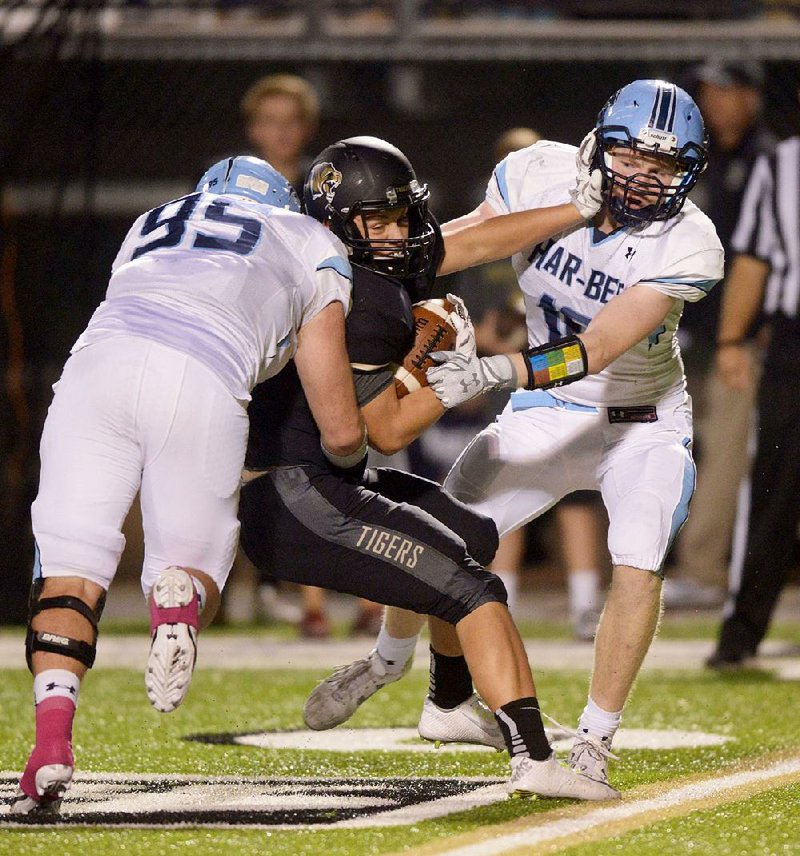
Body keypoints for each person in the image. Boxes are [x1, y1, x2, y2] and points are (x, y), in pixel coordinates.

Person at [307, 80, 723, 794]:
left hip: (640, 420)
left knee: (638, 560)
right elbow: (457, 246)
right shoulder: (538, 172)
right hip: (545, 414)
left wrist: (491, 370)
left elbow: (595, 349)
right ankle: (396, 667)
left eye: (664, 167)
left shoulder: (690, 241)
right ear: (599, 143)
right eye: (631, 158)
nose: (644, 179)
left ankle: (594, 740)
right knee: (443, 531)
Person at [240, 135, 618, 801]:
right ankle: (533, 758)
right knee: (473, 587)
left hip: (321, 478)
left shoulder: (370, 269)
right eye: (379, 221)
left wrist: (577, 210)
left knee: (472, 535)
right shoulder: (353, 297)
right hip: (290, 495)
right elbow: (379, 430)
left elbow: (476, 239)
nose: (400, 234)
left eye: (403, 216)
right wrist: (446, 375)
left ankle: (443, 702)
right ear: (336, 222)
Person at [12, 156, 366, 815]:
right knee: (191, 565)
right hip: (201, 372)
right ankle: (174, 603)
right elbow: (340, 429)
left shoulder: (154, 220)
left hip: (95, 368)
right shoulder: (310, 238)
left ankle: (50, 745)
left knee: (69, 571)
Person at [663, 62, 774, 610]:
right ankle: (696, 568)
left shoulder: (769, 160)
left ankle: (705, 572)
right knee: (693, 450)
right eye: (708, 93)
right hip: (698, 334)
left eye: (728, 92)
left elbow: (769, 255)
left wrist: (756, 329)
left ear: (751, 97)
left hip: (746, 339)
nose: (717, 103)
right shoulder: (704, 159)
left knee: (730, 454)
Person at [706, 104, 800, 668]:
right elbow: (754, 258)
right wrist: (731, 340)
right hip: (795, 341)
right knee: (774, 488)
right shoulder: (783, 164)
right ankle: (741, 634)